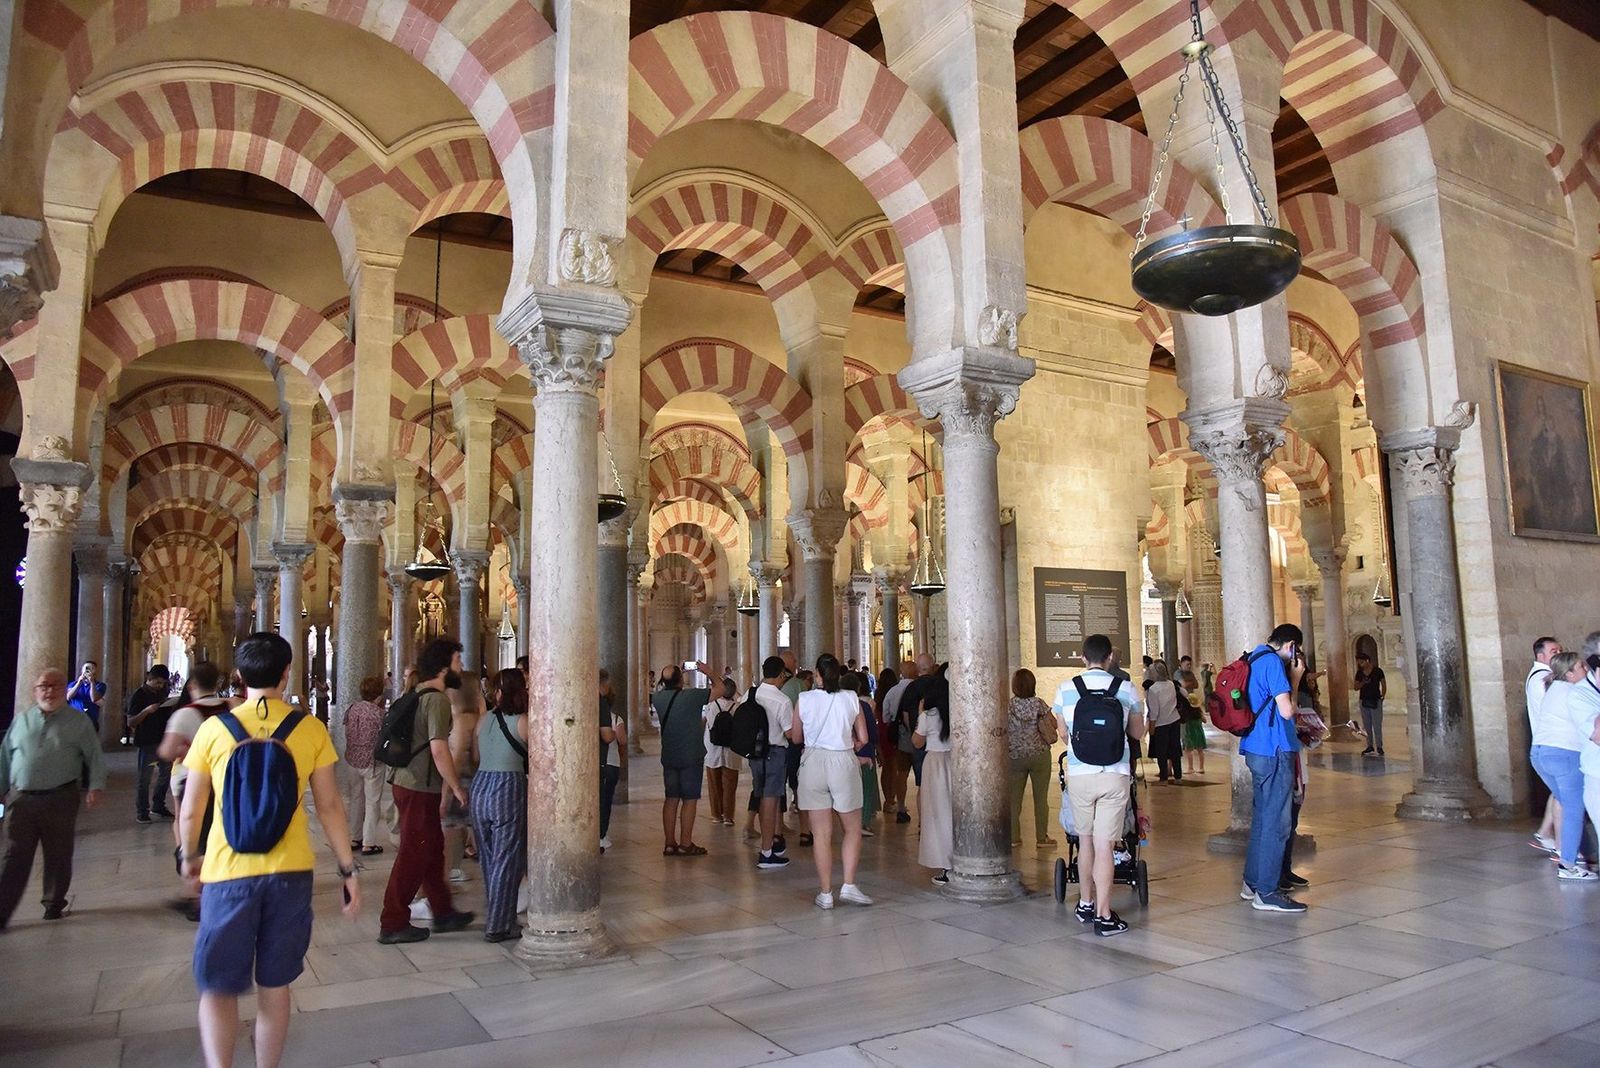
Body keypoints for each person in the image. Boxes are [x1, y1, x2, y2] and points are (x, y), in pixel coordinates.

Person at [177, 633, 358, 1068]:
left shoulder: (214, 730)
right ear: (286, 673)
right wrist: (348, 870)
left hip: (227, 873)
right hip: (290, 871)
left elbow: (192, 808)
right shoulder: (309, 729)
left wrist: (188, 858)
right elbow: (330, 806)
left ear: (238, 677)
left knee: (218, 985)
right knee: (274, 986)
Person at [378, 638, 475, 943]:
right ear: (445, 666)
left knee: (432, 850)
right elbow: (438, 749)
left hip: (410, 782)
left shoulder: (417, 692)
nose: (461, 665)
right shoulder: (437, 699)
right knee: (413, 853)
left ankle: (444, 912)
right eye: (458, 660)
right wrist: (456, 786)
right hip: (419, 786)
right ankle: (392, 922)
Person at [1052, 634, 1144, 937]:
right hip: (1114, 773)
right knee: (1107, 845)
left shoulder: (1066, 689)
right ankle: (1105, 916)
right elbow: (1136, 733)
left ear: (1082, 658)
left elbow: (1063, 733)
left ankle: (1086, 903)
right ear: (1109, 659)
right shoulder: (1126, 688)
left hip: (1080, 775)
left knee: (1086, 841)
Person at [0, 670, 106, 928]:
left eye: (56, 686)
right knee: (14, 855)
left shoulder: (78, 722)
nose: (50, 691)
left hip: (60, 797)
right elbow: (5, 756)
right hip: (21, 799)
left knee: (58, 852)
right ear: (35, 691)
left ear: (64, 689)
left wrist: (96, 785)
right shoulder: (22, 720)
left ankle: (53, 903)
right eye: (44, 686)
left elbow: (94, 755)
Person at [1239, 623, 1309, 913]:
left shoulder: (1253, 657)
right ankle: (1267, 892)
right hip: (1274, 748)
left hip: (1255, 747)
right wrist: (1296, 677)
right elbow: (1286, 710)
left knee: (1262, 817)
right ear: (1291, 645)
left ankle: (1252, 882)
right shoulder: (1273, 664)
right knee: (1277, 821)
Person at [793, 654, 872, 908]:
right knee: (851, 828)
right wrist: (852, 744)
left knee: (821, 834)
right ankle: (848, 884)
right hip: (842, 761)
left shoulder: (804, 699)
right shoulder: (851, 698)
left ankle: (825, 893)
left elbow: (796, 737)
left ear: (817, 675)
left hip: (813, 763)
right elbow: (864, 737)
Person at [158, 662, 231, 921]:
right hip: (224, 779)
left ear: (191, 685)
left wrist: (183, 750)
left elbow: (166, 751)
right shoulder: (230, 706)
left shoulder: (185, 715)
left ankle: (196, 896)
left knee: (189, 833)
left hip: (191, 781)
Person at [474, 668, 529, 941]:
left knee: (488, 858)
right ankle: (498, 925)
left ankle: (501, 917)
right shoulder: (524, 722)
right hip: (507, 786)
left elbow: (476, 754)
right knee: (507, 859)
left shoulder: (483, 720)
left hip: (480, 785)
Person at [1530, 651, 1594, 880]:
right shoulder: (1574, 691)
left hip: (1540, 753)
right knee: (1574, 809)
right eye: (1581, 668)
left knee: (1568, 806)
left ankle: (1575, 855)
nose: (1586, 671)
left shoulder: (1553, 689)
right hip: (1563, 754)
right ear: (1568, 674)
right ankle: (1568, 863)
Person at [652, 663, 710, 856]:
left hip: (669, 755)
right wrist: (706, 671)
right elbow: (720, 688)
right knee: (690, 799)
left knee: (671, 798)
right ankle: (686, 843)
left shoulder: (658, 698)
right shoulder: (691, 696)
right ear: (680, 679)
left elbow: (665, 687)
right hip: (691, 755)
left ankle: (669, 843)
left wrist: (675, 678)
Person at [750, 656, 795, 869]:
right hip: (774, 753)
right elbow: (790, 733)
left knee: (764, 798)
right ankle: (766, 852)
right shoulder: (782, 700)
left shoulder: (752, 694)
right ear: (781, 675)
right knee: (770, 801)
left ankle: (773, 844)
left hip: (755, 755)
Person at [912, 662, 954, 885]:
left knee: (940, 814)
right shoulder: (959, 711)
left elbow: (916, 742)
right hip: (957, 763)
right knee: (955, 813)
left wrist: (921, 715)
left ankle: (948, 865)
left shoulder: (930, 714)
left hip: (936, 763)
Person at [342, 676, 392, 856]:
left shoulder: (352, 708)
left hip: (352, 760)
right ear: (379, 694)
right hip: (372, 763)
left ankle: (355, 838)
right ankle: (369, 843)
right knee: (372, 802)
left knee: (356, 799)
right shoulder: (379, 714)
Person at [1007, 668, 1056, 849]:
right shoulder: (1039, 704)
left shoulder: (1009, 706)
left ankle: (1013, 838)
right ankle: (1042, 838)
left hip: (1015, 756)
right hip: (1039, 754)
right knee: (1041, 799)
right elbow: (1054, 724)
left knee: (1014, 799)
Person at [1527, 636, 1564, 852]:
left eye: (1559, 650)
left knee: (1560, 792)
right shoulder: (1543, 679)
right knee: (1564, 795)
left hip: (1547, 744)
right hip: (1551, 744)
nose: (1558, 654)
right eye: (1553, 652)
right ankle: (1564, 850)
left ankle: (1544, 832)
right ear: (1540, 656)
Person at [128, 664, 175, 823]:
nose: (161, 686)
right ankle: (142, 811)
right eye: (158, 683)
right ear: (150, 679)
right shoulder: (138, 695)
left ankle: (158, 805)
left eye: (163, 683)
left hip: (163, 741)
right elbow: (131, 722)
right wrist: (146, 711)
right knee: (144, 778)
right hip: (147, 742)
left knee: (165, 774)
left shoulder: (161, 693)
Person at [880, 659, 917, 823]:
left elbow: (885, 716)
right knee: (923, 775)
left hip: (901, 738)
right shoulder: (919, 688)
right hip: (920, 736)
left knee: (901, 772)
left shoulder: (893, 691)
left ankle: (900, 806)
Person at [702, 678, 739, 826]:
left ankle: (716, 814)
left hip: (713, 749)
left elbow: (707, 724)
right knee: (730, 784)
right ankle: (728, 816)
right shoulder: (737, 707)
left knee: (714, 783)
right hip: (731, 751)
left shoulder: (711, 705)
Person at [849, 672, 881, 837]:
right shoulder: (863, 706)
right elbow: (871, 732)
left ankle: (850, 822)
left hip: (844, 754)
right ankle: (863, 822)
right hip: (864, 751)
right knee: (866, 789)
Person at [599, 670, 625, 851]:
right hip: (609, 763)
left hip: (601, 764)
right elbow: (619, 740)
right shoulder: (615, 718)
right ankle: (601, 834)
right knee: (605, 801)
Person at [1145, 660, 1183, 782]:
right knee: (1175, 749)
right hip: (1174, 719)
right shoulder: (1171, 684)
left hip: (1161, 724)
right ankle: (1178, 776)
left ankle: (1163, 777)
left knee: (1161, 751)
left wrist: (1151, 728)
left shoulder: (1153, 689)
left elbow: (1154, 711)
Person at [1354, 652, 1387, 756]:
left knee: (1377, 724)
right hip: (1364, 700)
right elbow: (1355, 687)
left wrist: (1382, 695)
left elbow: (1383, 683)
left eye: (1361, 662)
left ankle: (1379, 746)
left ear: (1367, 660)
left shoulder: (1378, 671)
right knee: (1367, 724)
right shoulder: (1359, 673)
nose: (1360, 664)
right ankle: (1369, 746)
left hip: (1375, 699)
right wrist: (1363, 682)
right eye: (1359, 662)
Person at [1179, 668, 1207, 776]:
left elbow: (1182, 722)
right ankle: (1201, 767)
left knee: (1188, 750)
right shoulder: (1199, 713)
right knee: (1200, 750)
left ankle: (1190, 767)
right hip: (1199, 733)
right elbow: (1204, 720)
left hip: (1189, 733)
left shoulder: (1187, 714)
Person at [65, 660, 106, 732]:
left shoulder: (100, 685)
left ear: (95, 672)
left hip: (90, 721)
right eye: (86, 669)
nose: (87, 671)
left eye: (91, 669)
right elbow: (68, 697)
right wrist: (79, 682)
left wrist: (92, 682)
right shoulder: (73, 684)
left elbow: (94, 698)